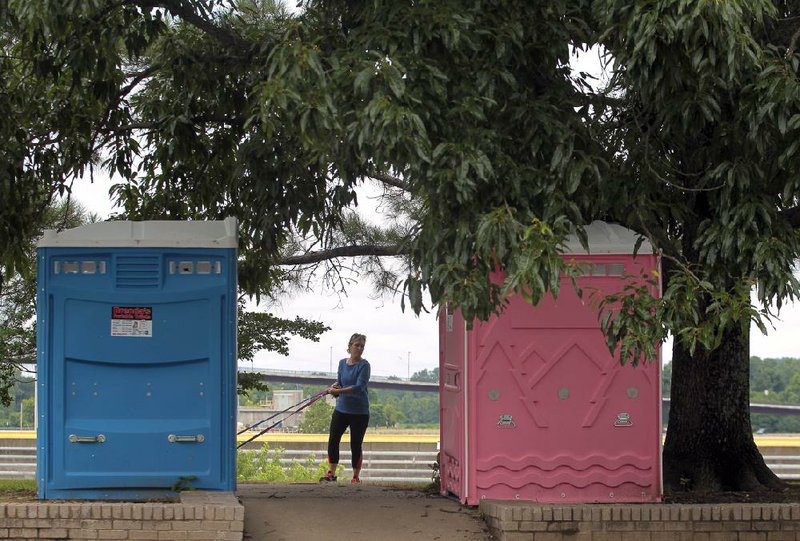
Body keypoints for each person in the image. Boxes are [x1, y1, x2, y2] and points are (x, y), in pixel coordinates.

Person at [320, 333, 371, 484]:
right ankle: (332, 473)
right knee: (333, 440)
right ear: (349, 346)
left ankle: (355, 477)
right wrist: (334, 388)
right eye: (356, 345)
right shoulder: (342, 363)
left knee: (355, 444)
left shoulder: (364, 365)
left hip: (359, 412)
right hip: (342, 409)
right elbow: (340, 382)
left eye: (362, 346)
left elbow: (359, 387)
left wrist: (338, 391)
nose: (359, 348)